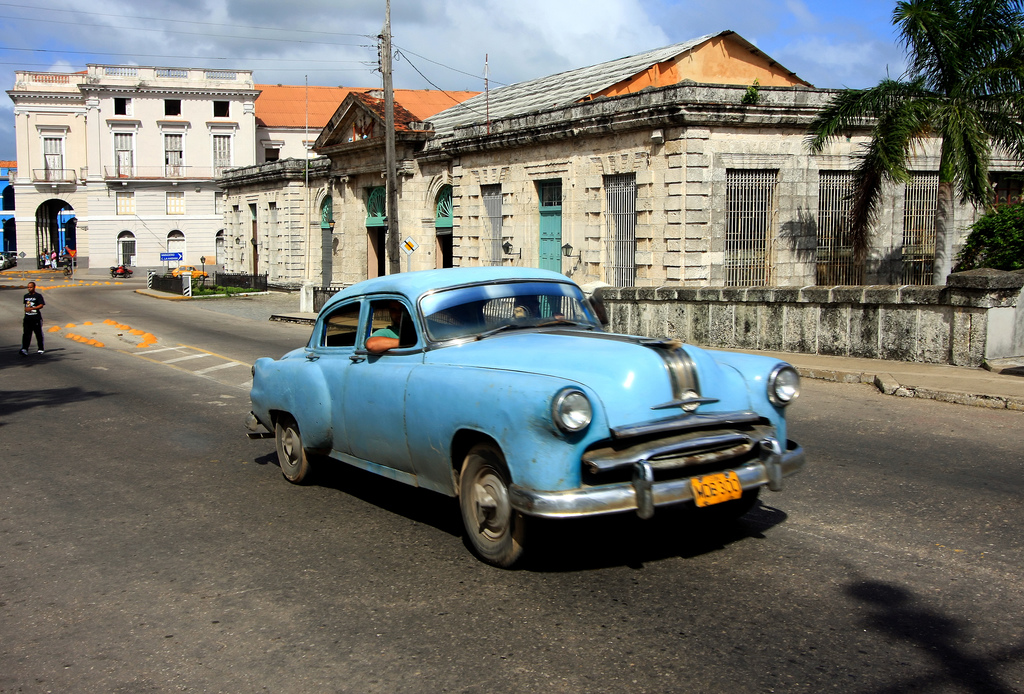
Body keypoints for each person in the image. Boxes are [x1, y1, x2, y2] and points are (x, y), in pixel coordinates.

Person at [20, 281, 45, 355]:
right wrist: (27, 310)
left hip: (36, 318)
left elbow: (41, 305)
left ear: (34, 287)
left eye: (31, 287)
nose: (29, 289)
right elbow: (26, 305)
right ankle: (24, 349)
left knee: (38, 333)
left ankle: (40, 348)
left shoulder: (38, 296)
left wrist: (31, 309)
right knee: (26, 334)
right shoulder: (26, 296)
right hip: (27, 318)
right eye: (28, 287)